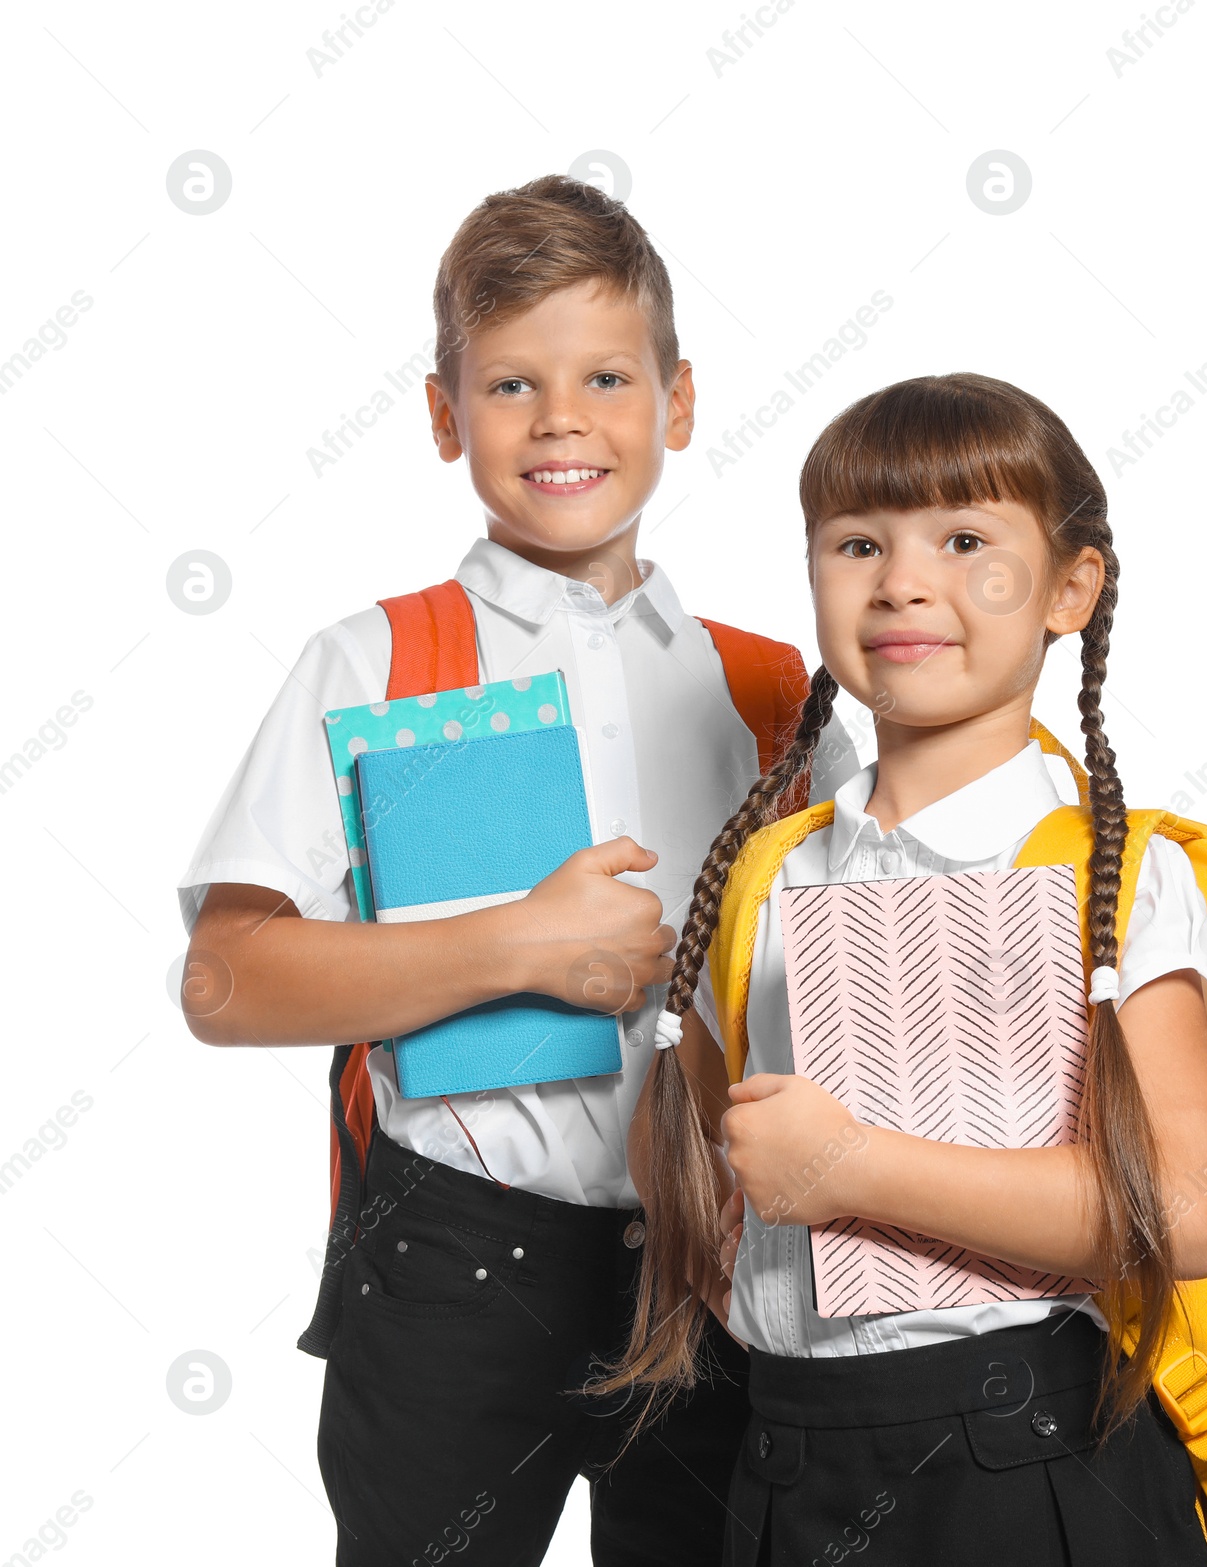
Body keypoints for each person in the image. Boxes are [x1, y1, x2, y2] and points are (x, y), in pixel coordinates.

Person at [176, 175, 856, 1566]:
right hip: (454, 1268)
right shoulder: (373, 659)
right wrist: (520, 947)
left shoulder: (775, 688)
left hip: (717, 1266)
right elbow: (225, 976)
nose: (561, 419)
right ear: (444, 416)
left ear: (677, 402)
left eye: (607, 375)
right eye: (510, 384)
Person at [613, 373, 1207, 1565]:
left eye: (963, 540)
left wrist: (856, 1166)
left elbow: (1189, 1213)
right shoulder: (767, 876)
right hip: (786, 1444)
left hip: (1024, 1455)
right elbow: (709, 1182)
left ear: (1069, 588)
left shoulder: (1109, 872)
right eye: (858, 543)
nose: (901, 580)